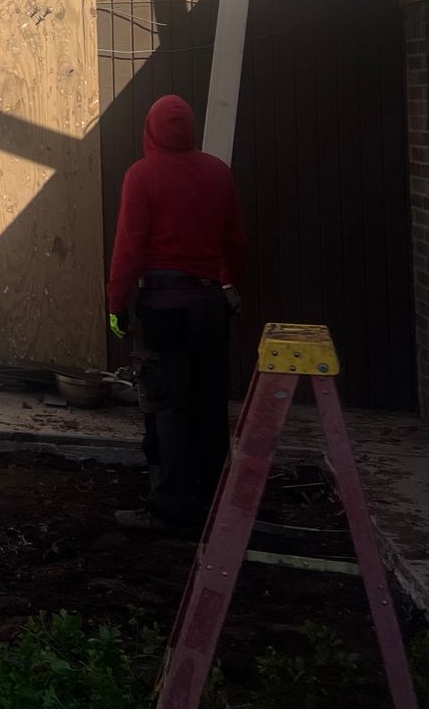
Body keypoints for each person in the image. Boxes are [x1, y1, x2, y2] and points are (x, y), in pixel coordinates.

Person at [106, 94, 248, 533]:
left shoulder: (142, 175)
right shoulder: (217, 173)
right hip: (209, 307)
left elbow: (129, 249)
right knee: (208, 406)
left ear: (149, 129)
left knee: (167, 407)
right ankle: (213, 502)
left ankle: (171, 509)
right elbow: (235, 241)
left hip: (164, 308)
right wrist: (227, 283)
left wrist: (117, 306)